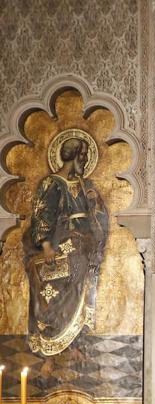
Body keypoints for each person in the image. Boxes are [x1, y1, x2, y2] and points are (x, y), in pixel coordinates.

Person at [23, 135, 109, 356]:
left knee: (85, 267)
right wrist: (46, 245)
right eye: (83, 155)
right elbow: (43, 215)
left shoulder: (83, 185)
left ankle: (74, 342)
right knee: (75, 265)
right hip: (60, 242)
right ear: (73, 156)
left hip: (82, 243)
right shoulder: (51, 183)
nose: (86, 159)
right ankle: (54, 339)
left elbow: (98, 216)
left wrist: (95, 202)